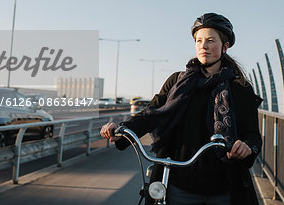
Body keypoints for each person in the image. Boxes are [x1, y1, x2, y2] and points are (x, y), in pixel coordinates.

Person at [100, 13, 262, 205]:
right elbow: (150, 115)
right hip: (179, 184)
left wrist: (246, 147)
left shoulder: (239, 88)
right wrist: (122, 131)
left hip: (224, 187)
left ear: (225, 46)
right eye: (199, 40)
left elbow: (252, 135)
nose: (204, 46)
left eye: (211, 40)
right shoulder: (177, 82)